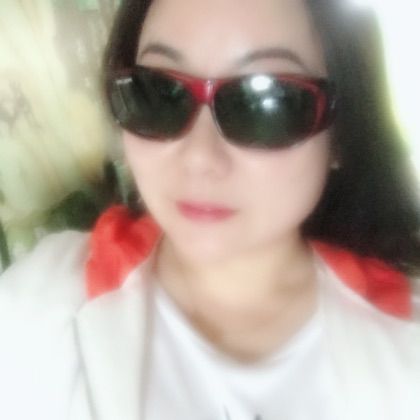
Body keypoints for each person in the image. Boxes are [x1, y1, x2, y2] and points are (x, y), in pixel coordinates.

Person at [1, 0, 420, 419]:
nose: (199, 157)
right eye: (159, 91)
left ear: (342, 134)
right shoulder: (35, 305)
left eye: (267, 101)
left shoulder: (406, 341)